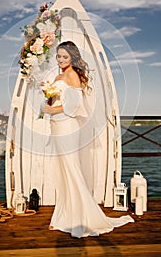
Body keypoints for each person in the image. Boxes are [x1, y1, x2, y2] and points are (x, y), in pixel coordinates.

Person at [42, 41, 134, 238]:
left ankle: (82, 220)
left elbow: (75, 106)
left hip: (67, 125)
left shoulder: (72, 75)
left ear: (72, 58)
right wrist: (48, 97)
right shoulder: (58, 76)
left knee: (72, 169)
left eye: (65, 57)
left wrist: (52, 109)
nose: (60, 60)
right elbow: (60, 99)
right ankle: (62, 218)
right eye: (58, 56)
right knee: (62, 172)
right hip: (56, 126)